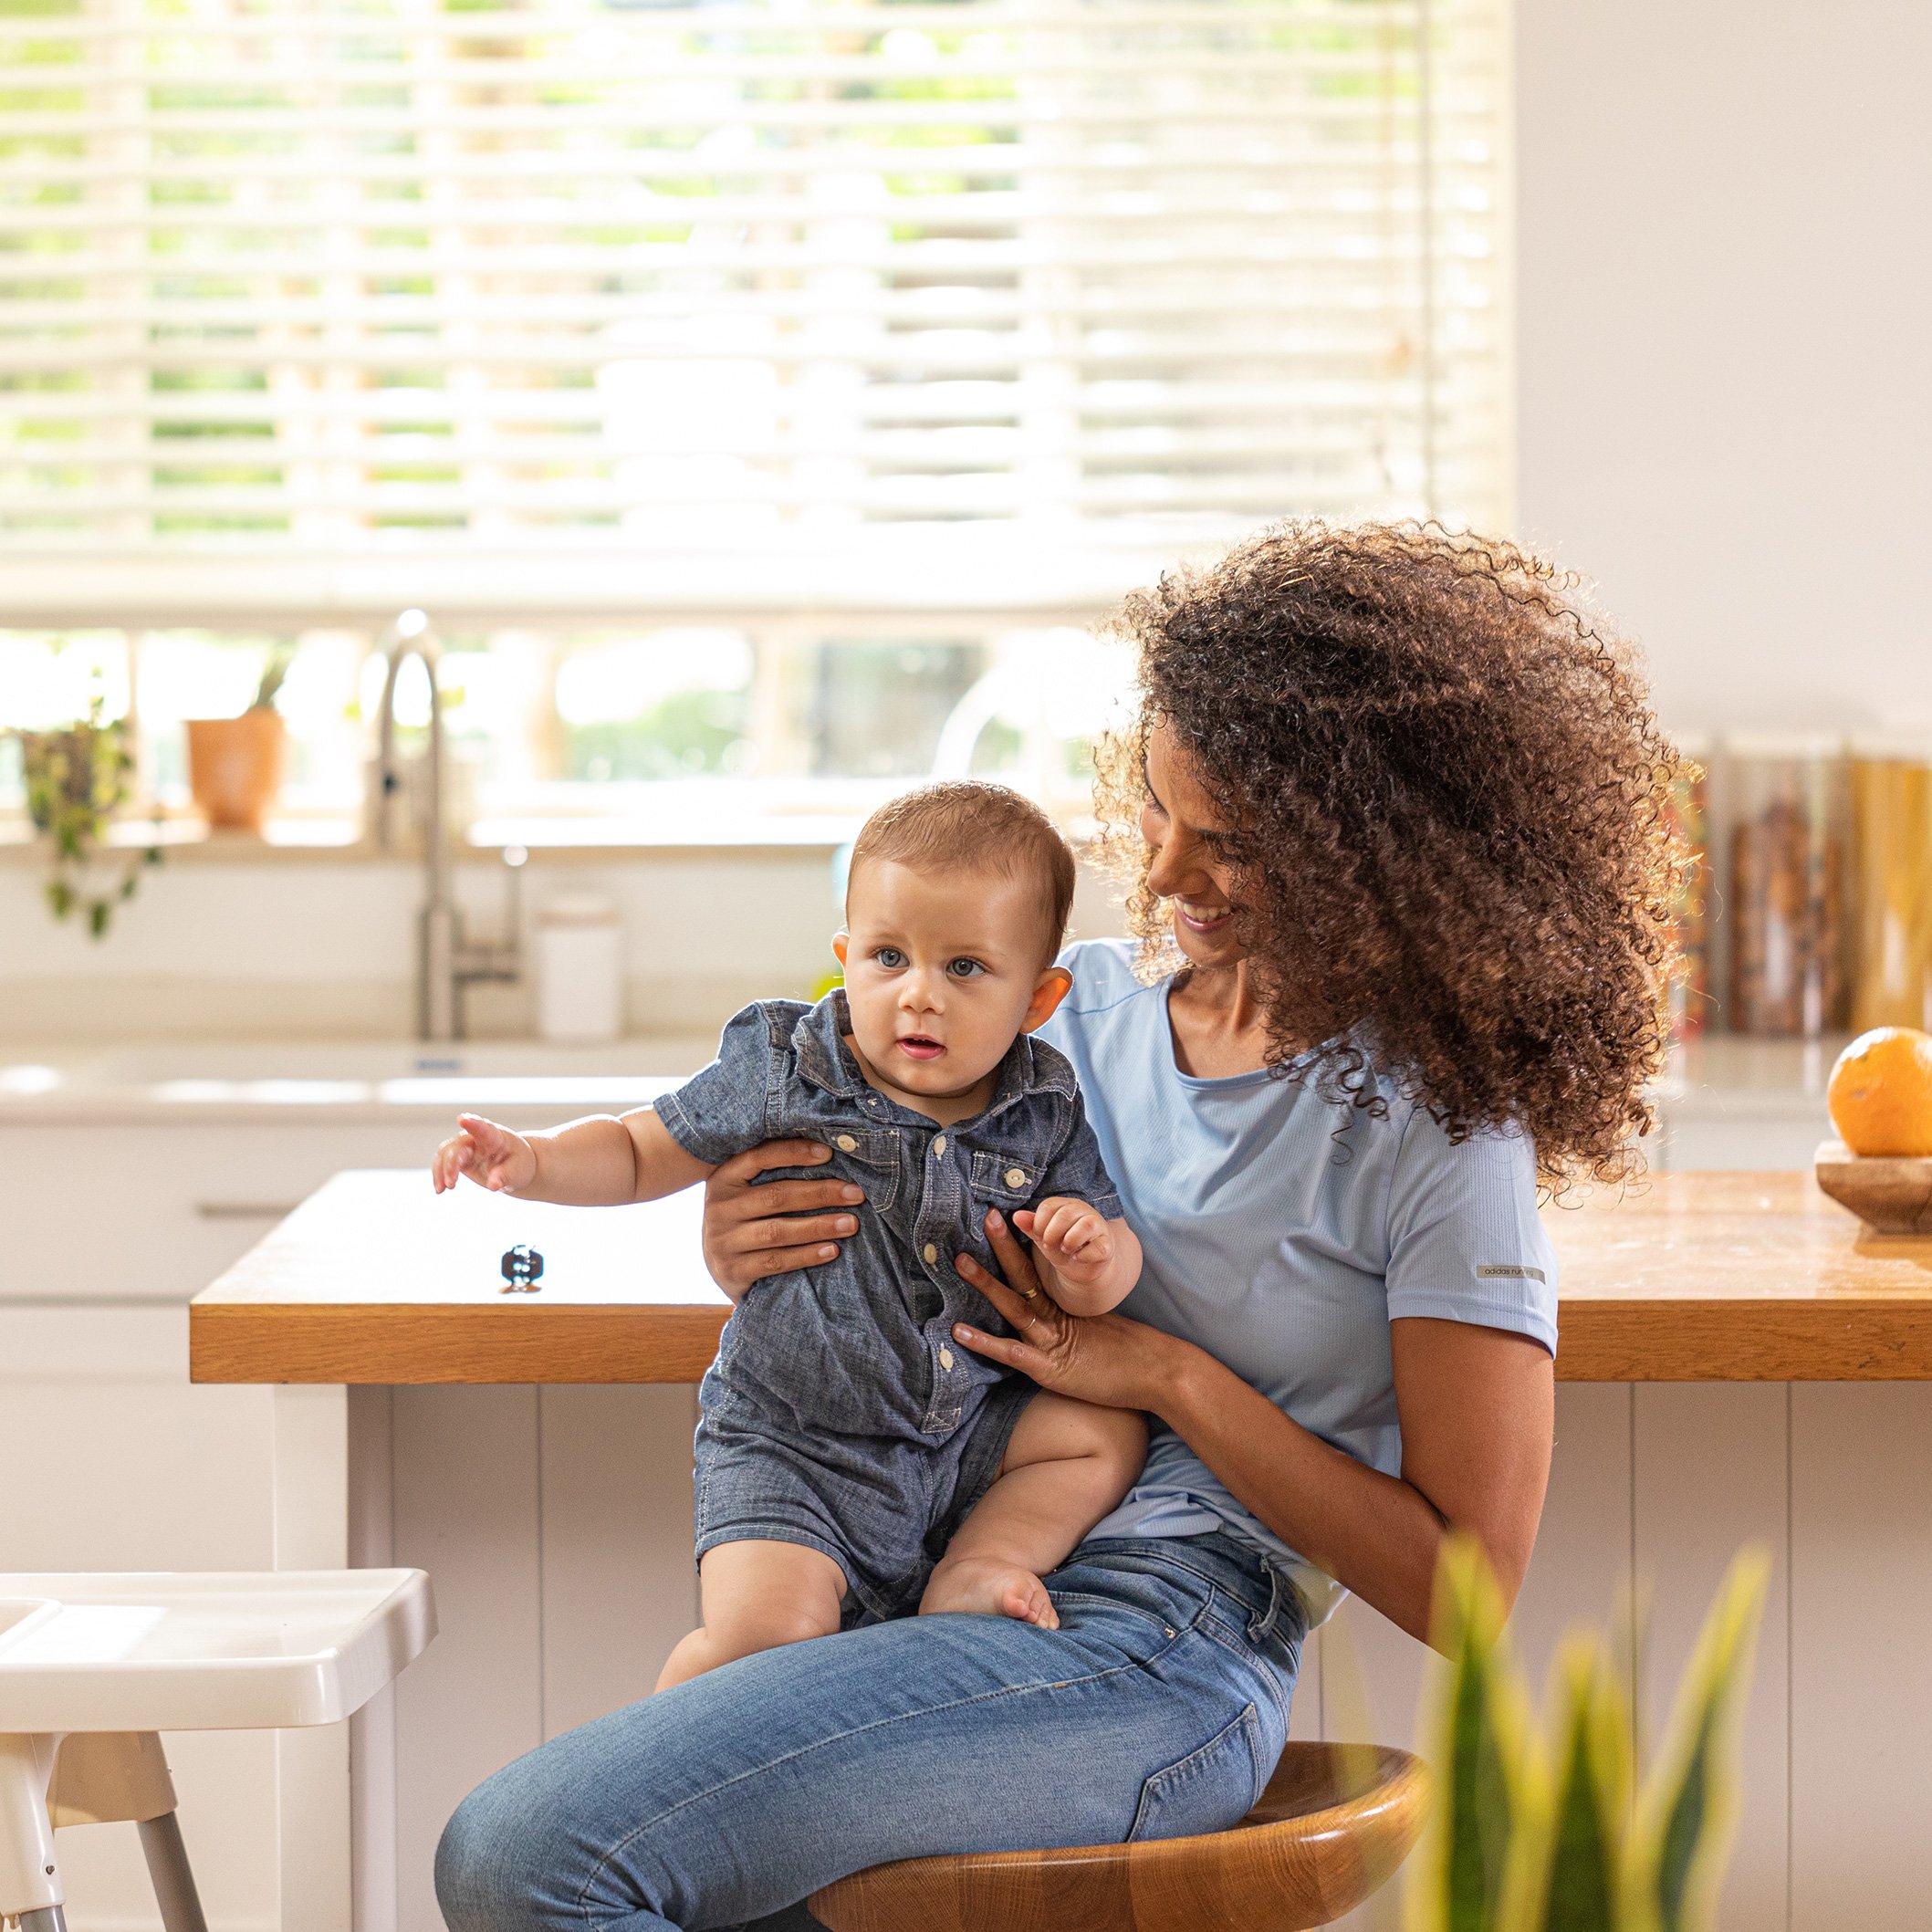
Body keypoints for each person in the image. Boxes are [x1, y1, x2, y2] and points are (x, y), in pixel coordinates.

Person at [435, 521, 1685, 1932]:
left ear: (1374, 850)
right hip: (920, 1572)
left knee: (526, 1853)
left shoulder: (1441, 1132)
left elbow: (1467, 1592)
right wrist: (753, 1231)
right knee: (692, 1886)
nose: (1161, 875)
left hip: (1158, 1637)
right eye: (1156, 813)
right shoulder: (1056, 1008)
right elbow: (838, 1122)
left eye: (1230, 845)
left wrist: (1164, 1375)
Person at [433, 782, 1147, 1684]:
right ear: (845, 958)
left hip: (967, 1433)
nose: (918, 995)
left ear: (1037, 999)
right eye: (889, 956)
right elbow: (637, 1145)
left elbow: (1105, 1273)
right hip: (797, 1442)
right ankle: (669, 1732)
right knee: (769, 1640)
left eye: (964, 967)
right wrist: (532, 1161)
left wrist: (1088, 1252)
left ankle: (975, 1564)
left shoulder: (1041, 1106)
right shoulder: (786, 1065)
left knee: (1100, 1428)